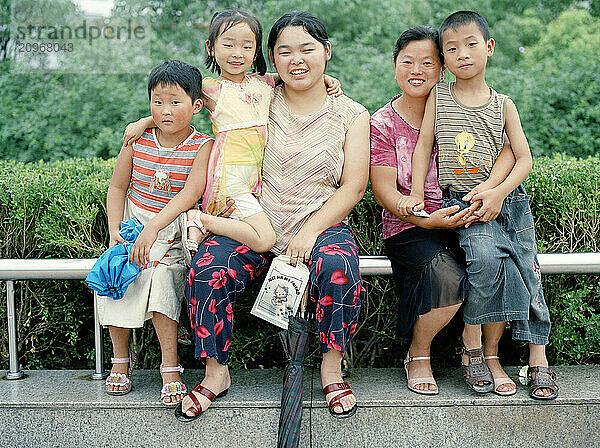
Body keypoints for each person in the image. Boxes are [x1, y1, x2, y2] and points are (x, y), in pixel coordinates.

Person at [174, 11, 370, 421]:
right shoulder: (259, 96)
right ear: (272, 59)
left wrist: (310, 230)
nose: (296, 59)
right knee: (209, 270)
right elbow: (179, 98)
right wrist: (143, 121)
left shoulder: (353, 114)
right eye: (284, 51)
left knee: (338, 264)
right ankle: (215, 374)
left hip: (320, 226)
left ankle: (331, 370)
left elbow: (353, 186)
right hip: (254, 222)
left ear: (327, 52)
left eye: (307, 49)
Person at [401, 11, 558, 399]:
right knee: (486, 263)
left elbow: (523, 158)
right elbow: (424, 146)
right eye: (451, 48)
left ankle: (537, 357)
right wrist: (418, 192)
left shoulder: (503, 104)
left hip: (509, 204)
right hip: (465, 204)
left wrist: (499, 192)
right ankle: (473, 345)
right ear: (444, 58)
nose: (462, 54)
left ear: (488, 48)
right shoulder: (439, 97)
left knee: (528, 273)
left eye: (471, 45)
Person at [124, 10, 341, 261]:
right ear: (211, 47)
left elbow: (295, 76)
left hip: (252, 178)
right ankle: (198, 219)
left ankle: (201, 229)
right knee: (264, 239)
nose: (237, 53)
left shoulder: (264, 83)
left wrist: (324, 77)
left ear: (256, 51)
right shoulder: (211, 88)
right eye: (228, 44)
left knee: (246, 233)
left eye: (246, 46)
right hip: (230, 177)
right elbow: (177, 106)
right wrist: (144, 122)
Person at [370, 26, 517, 396]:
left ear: (443, 68)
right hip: (411, 226)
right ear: (394, 66)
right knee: (447, 274)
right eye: (407, 62)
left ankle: (481, 352)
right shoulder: (381, 124)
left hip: (466, 213)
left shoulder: (461, 107)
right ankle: (418, 355)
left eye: (428, 63)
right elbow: (385, 192)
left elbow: (508, 148)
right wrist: (423, 216)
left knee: (494, 258)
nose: (416, 70)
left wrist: (494, 193)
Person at [100, 60, 213, 407]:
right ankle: (121, 358)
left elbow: (189, 195)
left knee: (163, 278)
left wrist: (154, 228)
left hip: (171, 232)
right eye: (157, 101)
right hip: (133, 226)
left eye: (175, 102)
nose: (165, 110)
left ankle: (170, 366)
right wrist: (115, 230)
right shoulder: (137, 139)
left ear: (196, 106)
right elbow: (118, 187)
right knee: (115, 273)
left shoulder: (202, 145)